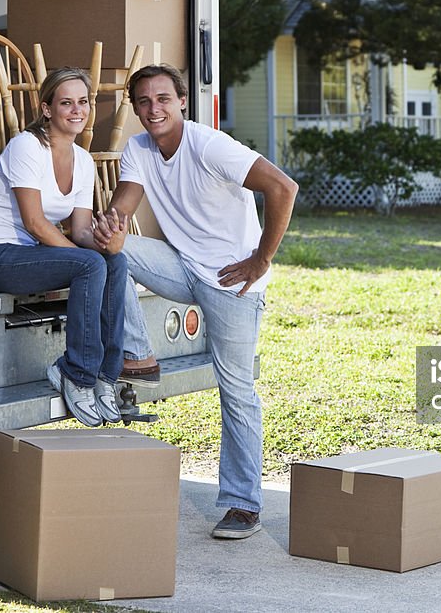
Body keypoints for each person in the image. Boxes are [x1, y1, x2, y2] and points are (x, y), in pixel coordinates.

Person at [95, 63, 298, 539]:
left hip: (232, 281)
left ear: (182, 101)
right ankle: (138, 354)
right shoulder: (139, 149)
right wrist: (108, 225)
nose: (153, 109)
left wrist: (261, 259)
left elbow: (283, 187)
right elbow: (124, 204)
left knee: (236, 390)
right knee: (108, 252)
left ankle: (243, 505)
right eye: (143, 101)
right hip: (182, 266)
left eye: (163, 99)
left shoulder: (209, 145)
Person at [0, 67, 130, 428]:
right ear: (47, 109)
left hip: (29, 257)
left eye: (83, 102)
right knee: (91, 264)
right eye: (66, 102)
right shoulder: (27, 146)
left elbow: (81, 230)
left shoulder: (83, 161)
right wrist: (84, 258)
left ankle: (105, 375)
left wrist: (104, 242)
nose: (77, 110)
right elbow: (35, 223)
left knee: (114, 261)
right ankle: (77, 374)